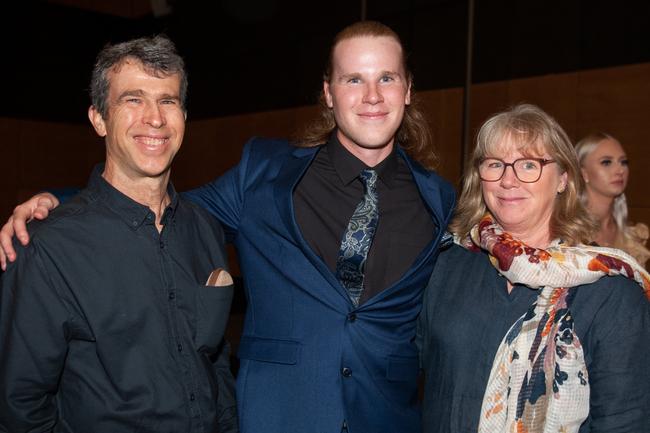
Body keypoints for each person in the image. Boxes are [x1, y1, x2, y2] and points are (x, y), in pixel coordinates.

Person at [0, 21, 456, 433]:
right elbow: (152, 209)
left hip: (388, 419)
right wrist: (57, 204)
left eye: (387, 78)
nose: (372, 95)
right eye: (354, 78)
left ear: (408, 89)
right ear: (328, 92)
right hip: (277, 418)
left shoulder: (438, 199)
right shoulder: (262, 175)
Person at [0, 36, 238, 432]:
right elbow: (18, 408)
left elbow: (214, 363)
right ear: (98, 118)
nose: (155, 118)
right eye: (133, 100)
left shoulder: (204, 228)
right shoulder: (48, 250)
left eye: (168, 100)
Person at [417, 103, 650, 433]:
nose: (508, 180)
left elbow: (625, 422)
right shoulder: (446, 266)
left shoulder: (611, 292)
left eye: (529, 165)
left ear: (563, 179)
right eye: (495, 164)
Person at [576, 132, 650, 267]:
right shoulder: (567, 231)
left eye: (623, 162)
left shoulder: (632, 238)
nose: (620, 170)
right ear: (583, 173)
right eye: (606, 162)